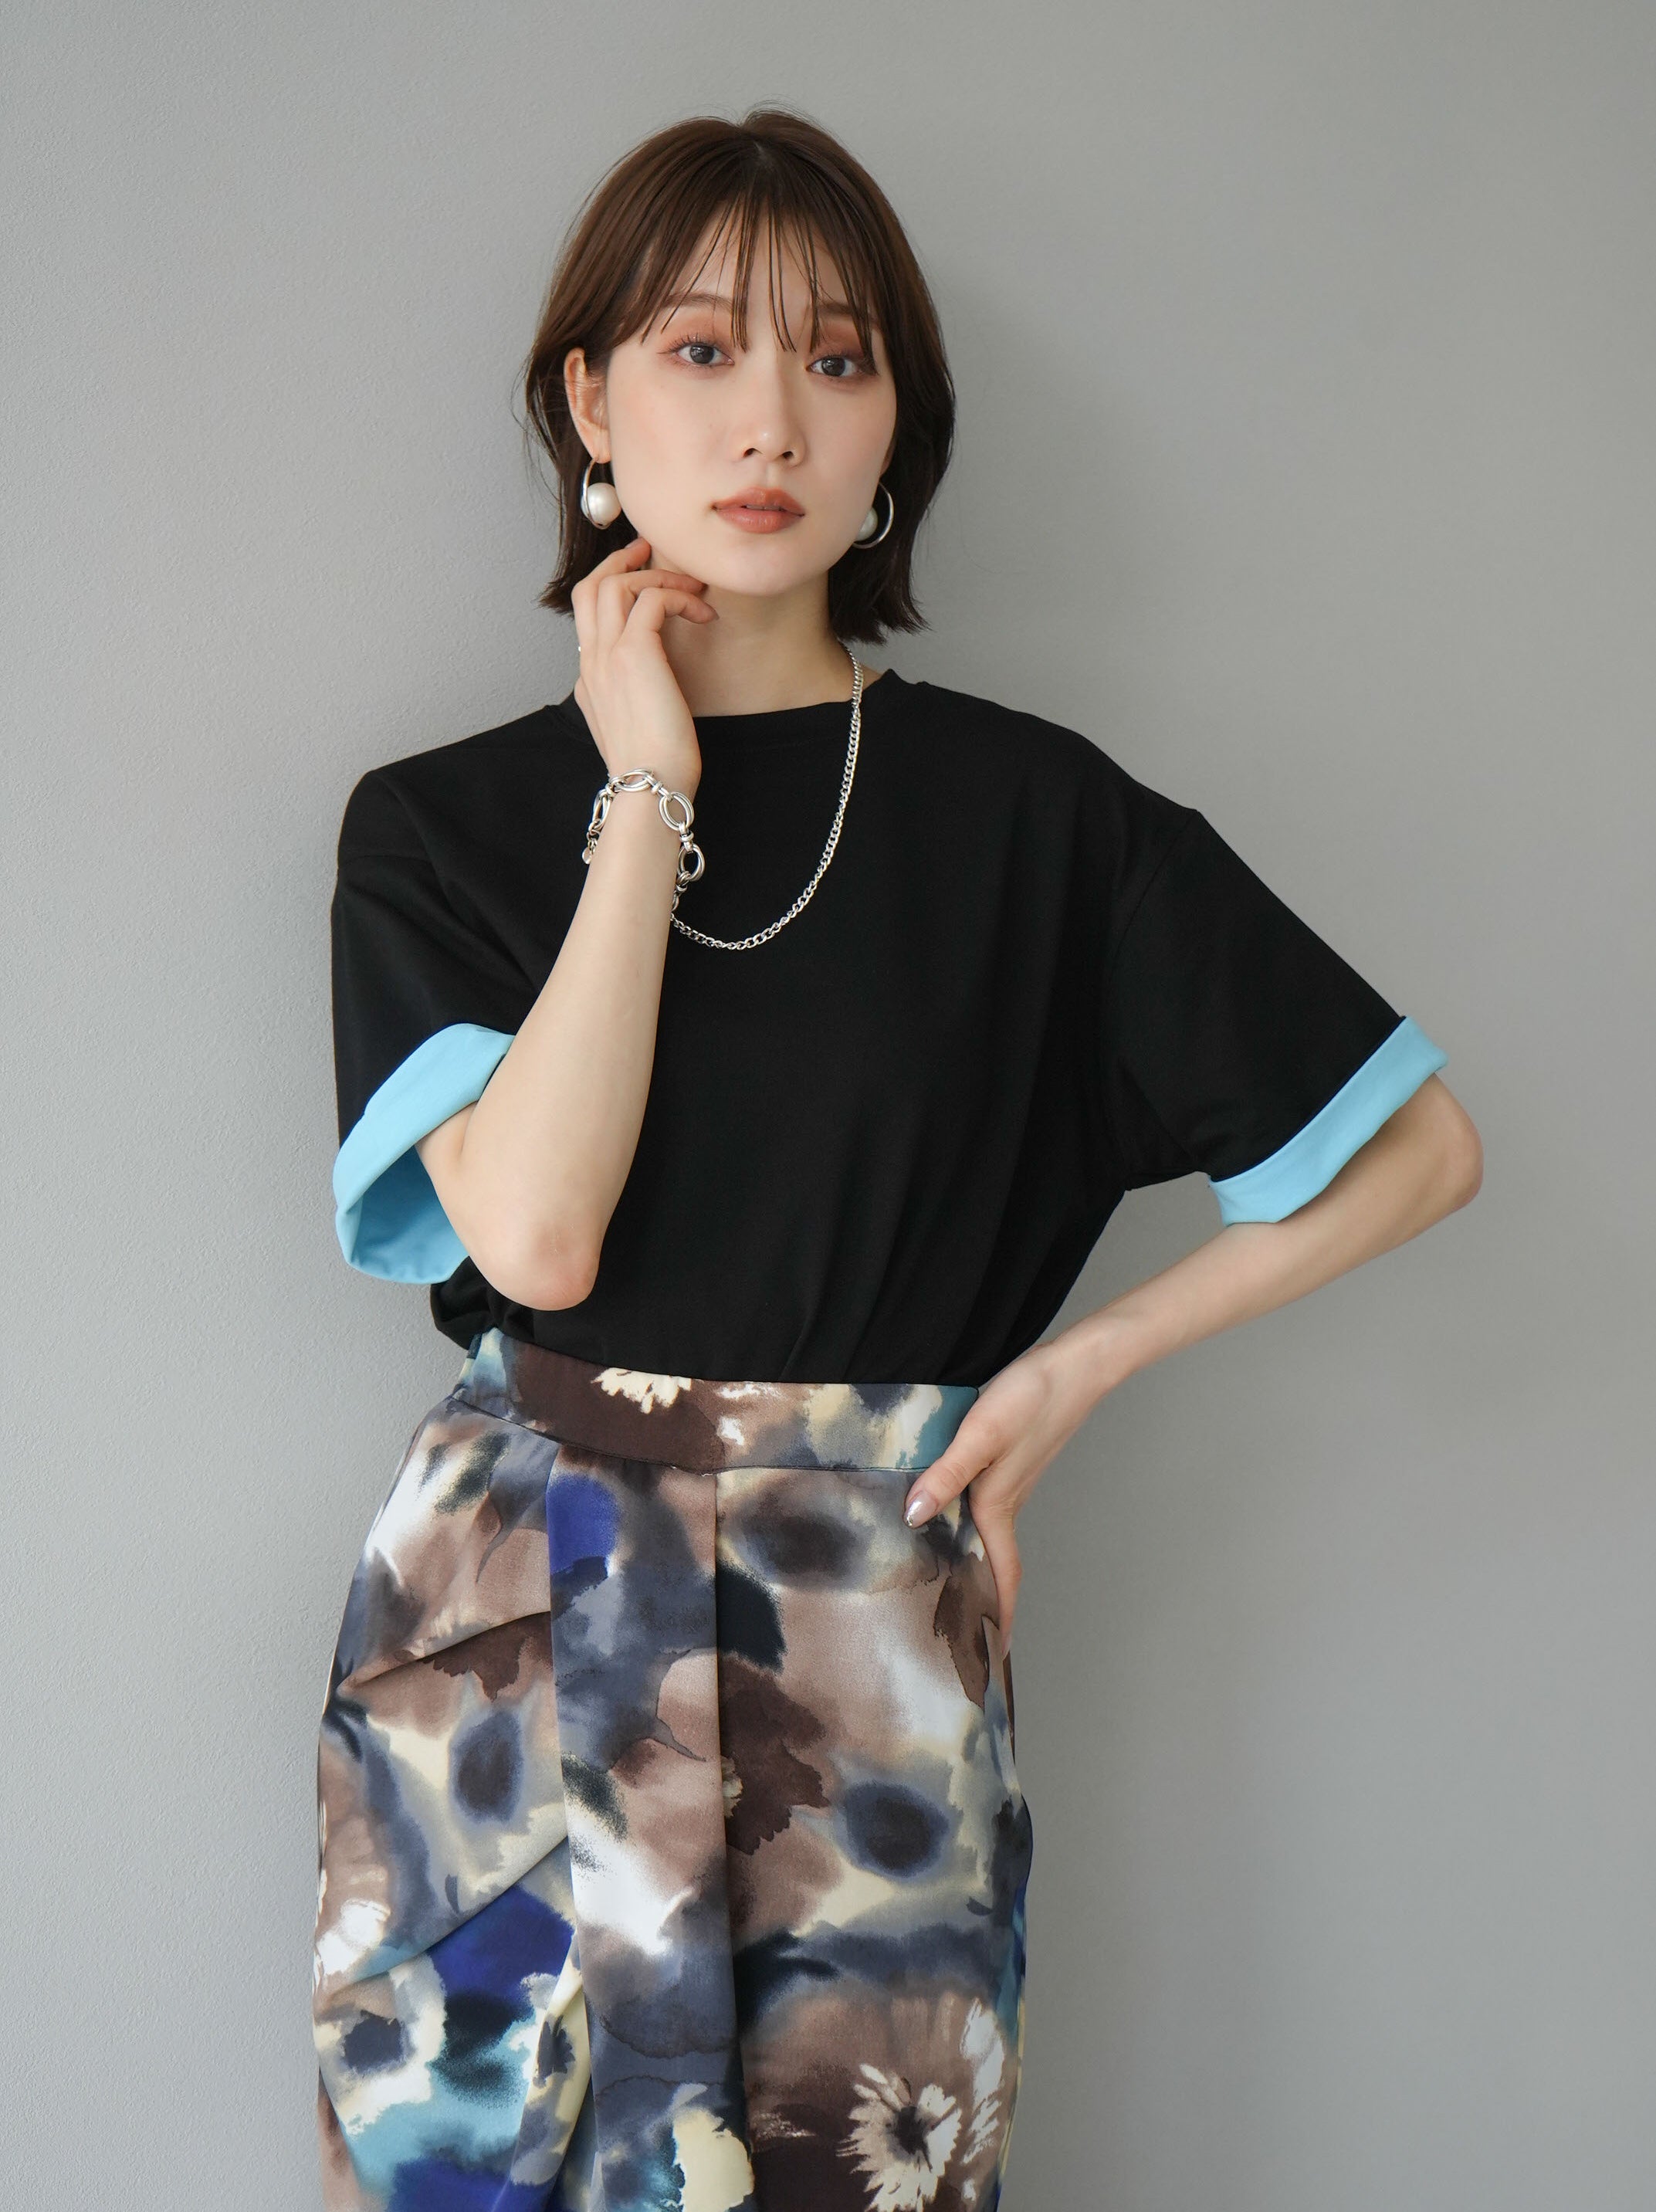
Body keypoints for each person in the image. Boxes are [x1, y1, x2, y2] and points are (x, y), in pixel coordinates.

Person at [310, 106, 1482, 2212]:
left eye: (835, 360)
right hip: (510, 1634)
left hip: (865, 1637)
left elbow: (1415, 1150)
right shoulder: (441, 826)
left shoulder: (1037, 823)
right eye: (699, 350)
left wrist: (1072, 1371)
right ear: (590, 404)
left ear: (892, 435)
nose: (769, 416)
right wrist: (645, 789)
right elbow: (539, 1235)